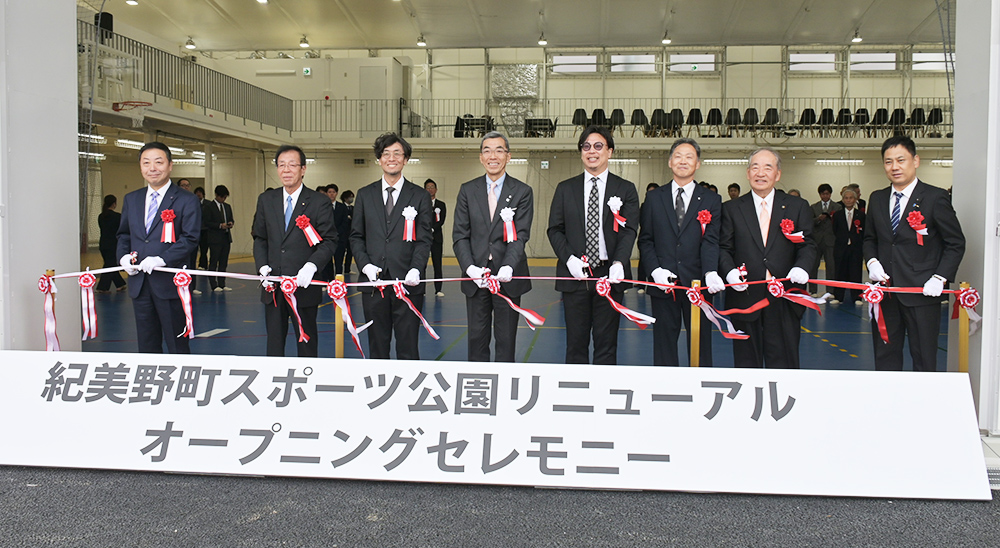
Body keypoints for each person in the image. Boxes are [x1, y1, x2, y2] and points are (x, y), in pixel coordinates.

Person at [863, 135, 965, 372]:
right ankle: (889, 404)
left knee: (924, 356)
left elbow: (955, 242)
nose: (894, 167)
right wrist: (873, 261)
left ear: (915, 161)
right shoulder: (877, 198)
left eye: (901, 160)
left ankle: (924, 406)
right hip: (886, 293)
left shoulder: (935, 197)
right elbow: (869, 239)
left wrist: (940, 277)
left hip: (922, 292)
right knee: (885, 354)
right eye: (888, 162)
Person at [547, 125, 640, 365]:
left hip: (609, 276)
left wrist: (619, 262)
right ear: (581, 152)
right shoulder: (565, 188)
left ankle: (603, 397)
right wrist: (569, 259)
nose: (592, 151)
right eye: (586, 146)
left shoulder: (625, 189)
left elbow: (629, 230)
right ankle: (577, 398)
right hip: (576, 275)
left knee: (606, 344)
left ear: (609, 151)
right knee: (575, 344)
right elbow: (554, 229)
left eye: (598, 146)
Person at [719, 147, 816, 368]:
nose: (760, 173)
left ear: (777, 174)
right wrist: (729, 272)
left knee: (784, 365)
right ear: (747, 173)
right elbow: (723, 248)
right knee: (746, 366)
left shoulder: (796, 206)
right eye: (755, 167)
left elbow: (808, 244)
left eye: (767, 167)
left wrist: (802, 267)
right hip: (744, 299)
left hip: (784, 299)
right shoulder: (732, 208)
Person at [638, 138, 724, 366]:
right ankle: (667, 392)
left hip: (698, 286)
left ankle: (702, 389)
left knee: (700, 344)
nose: (683, 161)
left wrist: (710, 272)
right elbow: (646, 240)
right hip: (663, 286)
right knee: (664, 345)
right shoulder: (654, 198)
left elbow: (711, 241)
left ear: (697, 164)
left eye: (689, 157)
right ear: (669, 162)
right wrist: (654, 270)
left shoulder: (711, 200)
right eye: (678, 156)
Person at [350, 133, 433, 360]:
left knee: (408, 347)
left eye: (397, 153)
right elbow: (356, 237)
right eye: (386, 153)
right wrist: (365, 265)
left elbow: (424, 239)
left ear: (405, 159)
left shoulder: (420, 196)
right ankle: (380, 392)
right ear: (379, 159)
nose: (391, 158)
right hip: (374, 285)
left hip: (408, 285)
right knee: (377, 346)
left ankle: (408, 393)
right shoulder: (365, 195)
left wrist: (416, 268)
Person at [452, 131, 533, 362]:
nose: (493, 155)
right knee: (476, 339)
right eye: (487, 150)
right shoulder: (468, 190)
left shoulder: (522, 192)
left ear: (508, 156)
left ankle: (504, 390)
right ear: (481, 157)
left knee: (506, 340)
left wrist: (508, 266)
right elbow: (460, 235)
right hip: (477, 278)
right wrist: (470, 268)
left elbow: (520, 236)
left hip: (508, 278)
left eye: (499, 150)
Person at [116, 142, 202, 354]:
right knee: (146, 345)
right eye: (146, 163)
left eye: (158, 162)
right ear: (140, 167)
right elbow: (124, 234)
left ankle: (181, 385)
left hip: (171, 285)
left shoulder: (187, 200)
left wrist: (162, 259)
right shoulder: (132, 199)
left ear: (170, 165)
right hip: (140, 285)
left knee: (177, 344)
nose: (152, 168)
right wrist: (123, 257)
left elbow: (190, 238)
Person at [252, 145, 337, 357]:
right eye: (281, 165)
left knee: (306, 340)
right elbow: (260, 237)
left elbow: (330, 240)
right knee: (274, 341)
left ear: (303, 169)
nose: (286, 170)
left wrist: (311, 266)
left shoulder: (319, 202)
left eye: (292, 165)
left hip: (304, 286)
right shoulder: (266, 200)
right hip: (273, 287)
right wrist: (262, 266)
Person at [832, 186, 865, 304]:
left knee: (856, 272)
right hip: (841, 248)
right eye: (846, 198)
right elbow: (835, 230)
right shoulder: (837, 215)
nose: (848, 200)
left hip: (855, 249)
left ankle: (857, 297)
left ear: (855, 199)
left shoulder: (861, 215)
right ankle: (838, 297)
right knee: (840, 272)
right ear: (842, 199)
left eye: (851, 198)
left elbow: (863, 231)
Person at [810, 183, 841, 297]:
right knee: (814, 266)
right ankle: (813, 290)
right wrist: (818, 219)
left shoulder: (837, 207)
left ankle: (830, 291)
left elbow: (839, 224)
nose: (825, 196)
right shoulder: (814, 207)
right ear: (820, 195)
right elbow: (810, 222)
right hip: (817, 240)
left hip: (830, 240)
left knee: (831, 266)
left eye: (827, 194)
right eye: (823, 194)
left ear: (830, 194)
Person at [202, 185, 234, 292]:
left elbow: (231, 219)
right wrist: (220, 225)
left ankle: (222, 283)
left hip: (225, 238)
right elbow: (207, 222)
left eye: (225, 197)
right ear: (216, 195)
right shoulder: (209, 207)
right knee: (214, 262)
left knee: (223, 262)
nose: (223, 199)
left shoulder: (227, 207)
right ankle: (213, 284)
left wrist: (230, 223)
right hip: (215, 238)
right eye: (222, 197)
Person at [95, 194, 126, 293]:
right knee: (110, 266)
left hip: (103, 244)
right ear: (114, 204)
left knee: (110, 264)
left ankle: (120, 284)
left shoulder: (101, 216)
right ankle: (102, 287)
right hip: (113, 245)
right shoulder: (117, 217)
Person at [635, 182, 659, 295]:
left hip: (659, 238)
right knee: (643, 261)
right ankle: (641, 283)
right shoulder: (644, 205)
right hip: (646, 236)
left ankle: (653, 283)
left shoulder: (664, 205)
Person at [424, 179, 447, 297]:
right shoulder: (421, 204)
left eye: (432, 187)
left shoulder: (441, 205)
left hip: (437, 238)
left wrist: (432, 229)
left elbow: (441, 220)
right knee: (421, 264)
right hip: (423, 239)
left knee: (437, 264)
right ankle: (420, 290)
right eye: (428, 187)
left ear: (436, 189)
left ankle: (438, 289)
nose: (430, 189)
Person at [337, 190, 355, 274]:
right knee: (341, 253)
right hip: (342, 234)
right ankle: (339, 270)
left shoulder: (353, 208)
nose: (351, 199)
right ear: (345, 198)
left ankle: (347, 269)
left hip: (351, 233)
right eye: (350, 197)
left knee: (350, 252)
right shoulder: (341, 207)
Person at [193, 186, 209, 270]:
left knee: (204, 249)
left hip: (205, 230)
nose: (198, 194)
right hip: (195, 229)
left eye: (200, 192)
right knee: (194, 248)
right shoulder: (192, 203)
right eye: (197, 192)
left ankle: (203, 264)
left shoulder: (208, 204)